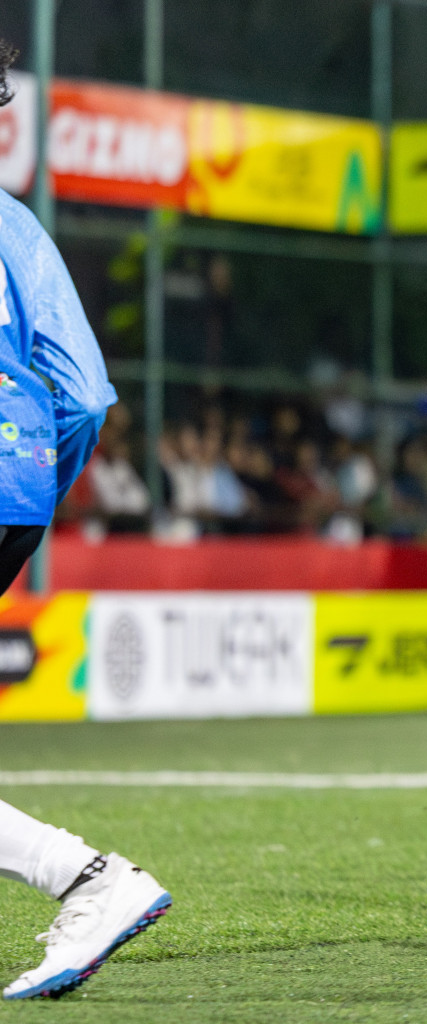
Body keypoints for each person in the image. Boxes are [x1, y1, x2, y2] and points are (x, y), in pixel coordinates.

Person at [0, 42, 172, 1000]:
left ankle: (86, 879)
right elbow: (87, 394)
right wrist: (30, 486)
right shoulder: (16, 228)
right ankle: (86, 881)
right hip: (17, 480)